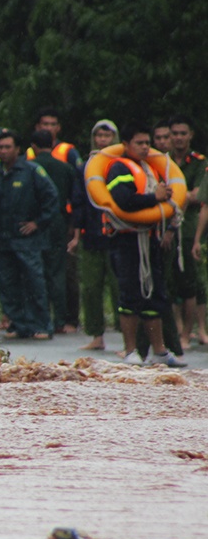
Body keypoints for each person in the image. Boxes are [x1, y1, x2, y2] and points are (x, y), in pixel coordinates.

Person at [101, 121, 184, 366]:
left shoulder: (152, 168)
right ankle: (130, 351)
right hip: (126, 240)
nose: (146, 147)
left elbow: (171, 200)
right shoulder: (119, 168)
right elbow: (122, 201)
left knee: (155, 294)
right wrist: (153, 197)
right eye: (140, 143)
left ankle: (159, 350)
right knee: (130, 295)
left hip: (150, 239)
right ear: (126, 145)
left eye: (147, 142)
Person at [0, 129, 59, 340]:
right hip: (3, 240)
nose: (4, 151)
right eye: (0, 147)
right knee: (7, 284)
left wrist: (38, 223)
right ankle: (18, 324)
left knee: (34, 282)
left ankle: (42, 325)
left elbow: (52, 199)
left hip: (27, 240)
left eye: (8, 147)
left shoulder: (32, 171)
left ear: (18, 149)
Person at [69, 120, 121, 351]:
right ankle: (96, 334)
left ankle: (127, 337)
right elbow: (78, 203)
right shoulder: (83, 168)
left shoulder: (123, 166)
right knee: (91, 287)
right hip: (91, 235)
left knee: (120, 287)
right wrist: (76, 235)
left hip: (119, 236)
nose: (102, 140)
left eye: (107, 136)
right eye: (99, 135)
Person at [165, 114, 208, 348]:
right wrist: (184, 195)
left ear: (190, 135)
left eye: (183, 133)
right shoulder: (163, 161)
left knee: (190, 282)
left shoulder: (200, 162)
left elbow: (198, 195)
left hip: (190, 227)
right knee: (169, 281)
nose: (179, 138)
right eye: (175, 134)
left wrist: (176, 196)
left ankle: (189, 333)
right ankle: (178, 330)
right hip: (165, 227)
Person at [30, 129, 78, 334]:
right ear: (53, 143)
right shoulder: (66, 168)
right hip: (59, 223)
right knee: (57, 272)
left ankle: (39, 318)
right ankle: (60, 319)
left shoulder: (29, 168)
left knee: (34, 271)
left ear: (33, 146)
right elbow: (75, 200)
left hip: (34, 224)